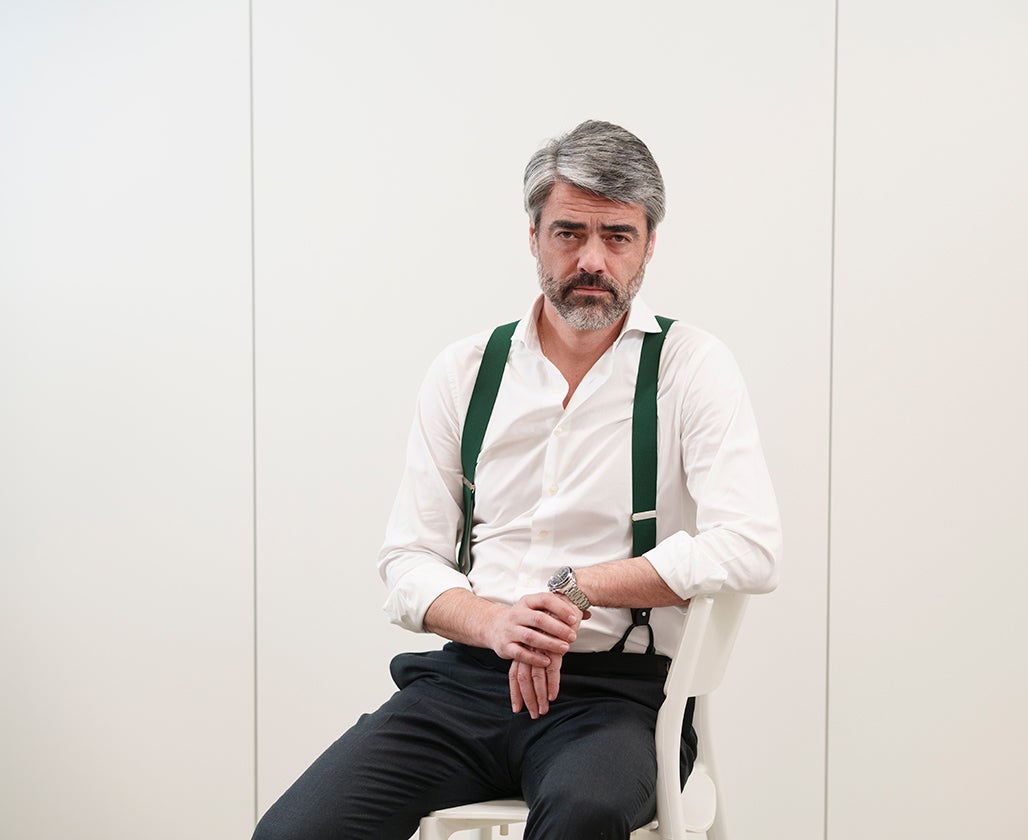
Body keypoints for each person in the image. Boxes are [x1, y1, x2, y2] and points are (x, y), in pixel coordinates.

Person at [252, 120, 782, 840]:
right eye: (569, 233)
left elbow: (751, 546)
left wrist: (581, 587)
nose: (592, 259)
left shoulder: (690, 368)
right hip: (464, 687)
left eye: (617, 236)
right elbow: (407, 560)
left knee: (584, 816)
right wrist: (495, 623)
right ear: (533, 236)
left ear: (649, 245)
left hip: (614, 700)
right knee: (294, 834)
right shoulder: (466, 372)